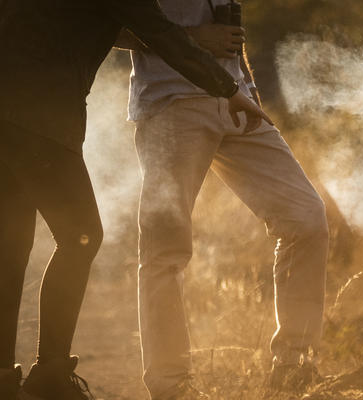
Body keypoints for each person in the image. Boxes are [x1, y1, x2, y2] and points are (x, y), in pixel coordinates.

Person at [0, 1, 266, 399]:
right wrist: (229, 89)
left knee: (12, 242)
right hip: (41, 113)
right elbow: (159, 32)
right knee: (80, 236)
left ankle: (4, 377)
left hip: (13, 105)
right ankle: (50, 377)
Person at [115, 1, 329, 398]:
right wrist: (194, 39)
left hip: (235, 101)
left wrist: (247, 86)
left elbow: (231, 33)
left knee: (305, 218)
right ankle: (171, 385)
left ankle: (293, 366)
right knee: (166, 248)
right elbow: (109, 24)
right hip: (170, 103)